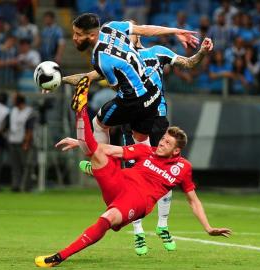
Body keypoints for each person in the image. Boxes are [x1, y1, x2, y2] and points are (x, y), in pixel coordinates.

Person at [34, 77, 231, 267]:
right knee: (95, 152)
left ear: (177, 150)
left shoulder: (183, 168)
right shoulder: (146, 150)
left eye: (167, 143)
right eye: (162, 139)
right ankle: (81, 110)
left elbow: (193, 200)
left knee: (107, 219)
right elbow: (110, 149)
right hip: (119, 181)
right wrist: (79, 143)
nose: (161, 143)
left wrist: (208, 227)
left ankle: (59, 257)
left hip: (137, 201)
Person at [64, 33, 214, 255]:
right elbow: (87, 76)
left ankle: (162, 225)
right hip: (132, 113)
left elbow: (188, 62)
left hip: (156, 115)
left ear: (137, 38)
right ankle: (138, 233)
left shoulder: (157, 52)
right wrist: (60, 79)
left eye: (130, 35)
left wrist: (201, 51)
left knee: (164, 172)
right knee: (133, 171)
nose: (125, 39)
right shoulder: (120, 60)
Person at [63, 13, 199, 147]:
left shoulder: (101, 59)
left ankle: (101, 165)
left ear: (91, 35)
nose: (74, 38)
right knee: (140, 144)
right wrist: (175, 31)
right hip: (153, 95)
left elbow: (115, 87)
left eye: (78, 34)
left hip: (135, 101)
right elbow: (146, 29)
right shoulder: (112, 27)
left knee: (98, 123)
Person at [7, 92, 36, 192]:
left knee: (27, 166)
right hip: (13, 141)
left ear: (18, 101)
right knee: (15, 166)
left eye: (13, 99)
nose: (12, 101)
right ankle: (16, 186)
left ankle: (26, 187)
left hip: (23, 142)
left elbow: (29, 129)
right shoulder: (13, 111)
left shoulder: (29, 112)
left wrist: (26, 143)